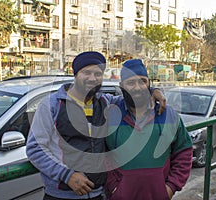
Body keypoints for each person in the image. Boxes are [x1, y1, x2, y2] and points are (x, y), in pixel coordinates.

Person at [26, 51, 167, 200]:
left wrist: (154, 90)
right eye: (86, 72)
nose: (92, 78)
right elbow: (35, 149)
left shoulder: (105, 102)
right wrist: (67, 175)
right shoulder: (52, 105)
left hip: (97, 194)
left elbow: (133, 93)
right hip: (61, 195)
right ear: (75, 74)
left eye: (98, 73)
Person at [105, 59, 193, 200]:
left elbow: (184, 151)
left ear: (149, 84)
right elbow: (103, 155)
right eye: (131, 83)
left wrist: (170, 187)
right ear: (121, 86)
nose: (138, 87)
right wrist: (114, 187)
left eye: (142, 81)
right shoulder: (110, 117)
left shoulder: (168, 115)